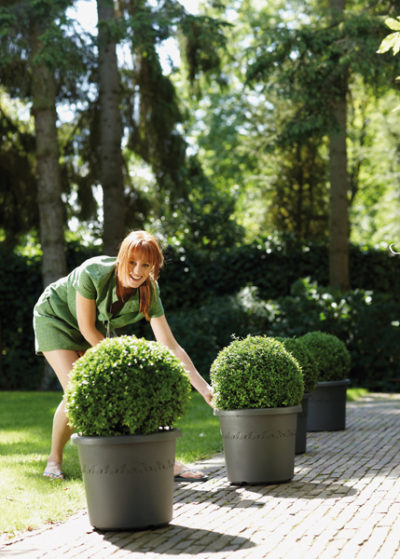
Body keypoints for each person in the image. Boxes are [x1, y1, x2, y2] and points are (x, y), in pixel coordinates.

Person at [33, 230, 213, 481]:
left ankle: (165, 463)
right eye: (132, 262)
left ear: (153, 266)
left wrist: (204, 388)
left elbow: (170, 346)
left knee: (112, 391)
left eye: (145, 264)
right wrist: (121, 364)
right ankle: (54, 460)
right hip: (57, 319)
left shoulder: (149, 292)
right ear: (121, 257)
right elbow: (86, 328)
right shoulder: (93, 272)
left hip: (92, 328)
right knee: (78, 390)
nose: (138, 270)